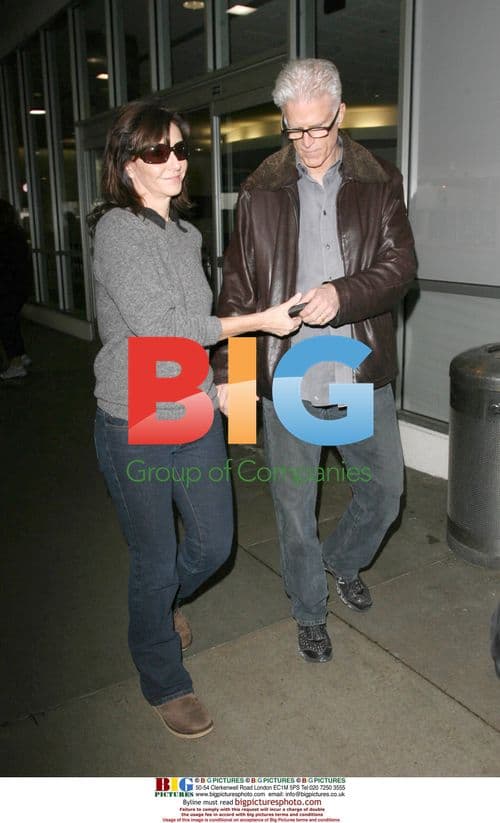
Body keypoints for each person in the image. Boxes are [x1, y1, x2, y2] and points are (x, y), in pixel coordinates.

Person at [88, 99, 302, 739]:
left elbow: (194, 341)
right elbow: (164, 329)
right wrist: (258, 324)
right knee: (154, 559)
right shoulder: (116, 232)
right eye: (159, 152)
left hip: (191, 409)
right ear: (128, 165)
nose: (176, 161)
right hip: (134, 419)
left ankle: (159, 608)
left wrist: (225, 389)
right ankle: (163, 677)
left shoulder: (187, 236)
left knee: (213, 545)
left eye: (181, 149)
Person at [213, 59, 417, 664]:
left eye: (318, 130)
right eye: (294, 131)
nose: (307, 145)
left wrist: (342, 294)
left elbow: (400, 268)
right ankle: (308, 611)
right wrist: (232, 379)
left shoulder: (380, 181)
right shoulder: (259, 191)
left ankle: (343, 561)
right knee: (295, 509)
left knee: (385, 492)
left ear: (341, 116)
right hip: (286, 371)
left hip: (351, 367)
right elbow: (236, 292)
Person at [0, 199, 32, 379]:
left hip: (7, 289)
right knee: (12, 324)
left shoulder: (5, 236)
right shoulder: (17, 233)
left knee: (8, 326)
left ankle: (16, 362)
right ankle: (20, 356)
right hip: (18, 287)